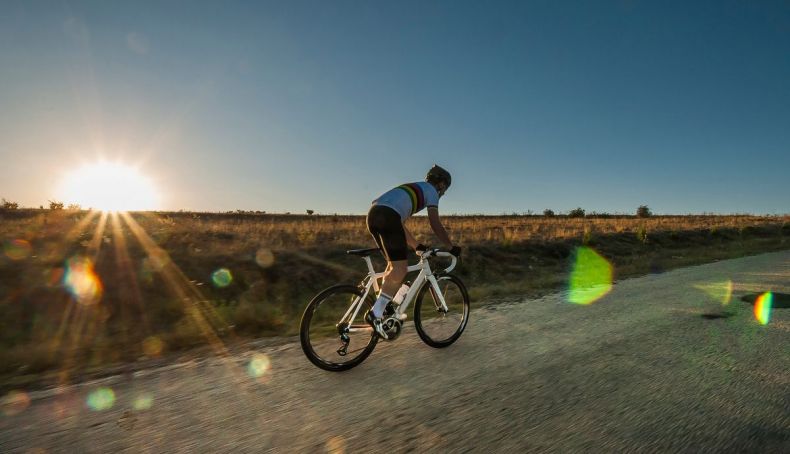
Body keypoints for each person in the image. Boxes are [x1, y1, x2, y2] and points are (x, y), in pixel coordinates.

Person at [365, 164, 461, 338]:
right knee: (400, 269)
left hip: (374, 214)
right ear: (440, 184)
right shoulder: (431, 192)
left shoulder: (416, 187)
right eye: (445, 188)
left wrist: (416, 245)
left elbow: (398, 224)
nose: (443, 192)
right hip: (388, 216)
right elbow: (435, 224)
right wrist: (450, 246)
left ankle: (385, 308)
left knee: (393, 267)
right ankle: (375, 314)